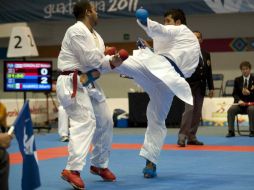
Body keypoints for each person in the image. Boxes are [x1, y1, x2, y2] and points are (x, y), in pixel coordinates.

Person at [111, 8, 200, 178]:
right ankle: (108, 62)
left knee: (156, 119)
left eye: (168, 20)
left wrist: (146, 22)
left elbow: (163, 30)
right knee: (125, 63)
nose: (166, 24)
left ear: (178, 22)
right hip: (162, 75)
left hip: (165, 75)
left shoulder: (181, 30)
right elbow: (165, 49)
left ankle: (150, 161)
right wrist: (149, 50)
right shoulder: (178, 41)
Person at [56, 1, 121, 189]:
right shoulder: (75, 31)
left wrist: (113, 61)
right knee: (85, 121)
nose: (97, 13)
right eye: (95, 10)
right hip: (71, 81)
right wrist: (106, 56)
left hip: (88, 81)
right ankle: (72, 170)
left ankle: (99, 165)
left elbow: (98, 65)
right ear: (87, 12)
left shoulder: (96, 36)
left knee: (106, 120)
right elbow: (90, 59)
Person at [177, 31, 214, 147]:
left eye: (198, 37)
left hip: (201, 87)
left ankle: (192, 136)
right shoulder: (186, 53)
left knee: (197, 113)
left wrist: (211, 87)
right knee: (189, 111)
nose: (196, 39)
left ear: (201, 40)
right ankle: (182, 137)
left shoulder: (206, 54)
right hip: (189, 86)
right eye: (193, 37)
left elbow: (209, 72)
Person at [226, 61, 254, 137]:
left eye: (246, 69)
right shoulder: (237, 80)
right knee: (231, 110)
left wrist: (250, 93)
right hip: (240, 104)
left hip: (251, 104)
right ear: (241, 70)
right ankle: (231, 131)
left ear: (250, 69)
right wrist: (239, 100)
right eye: (243, 69)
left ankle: (252, 131)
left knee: (252, 110)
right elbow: (234, 94)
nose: (245, 71)